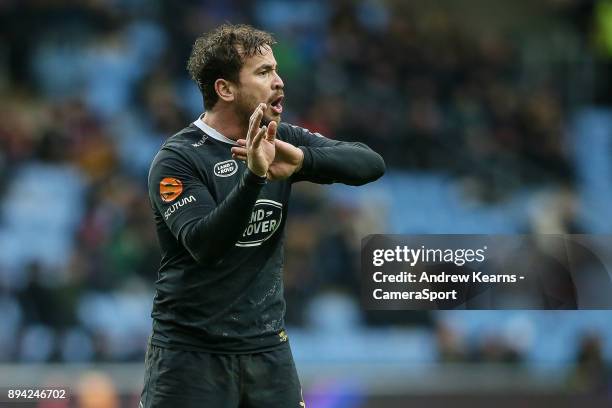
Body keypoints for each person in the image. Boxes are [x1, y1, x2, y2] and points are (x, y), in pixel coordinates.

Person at [140, 24, 385, 408]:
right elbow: (206, 245)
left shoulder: (280, 138)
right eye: (263, 72)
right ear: (225, 89)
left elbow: (371, 164)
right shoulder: (179, 159)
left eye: (275, 69)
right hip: (190, 357)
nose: (279, 81)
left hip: (268, 351)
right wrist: (254, 177)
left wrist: (304, 159)